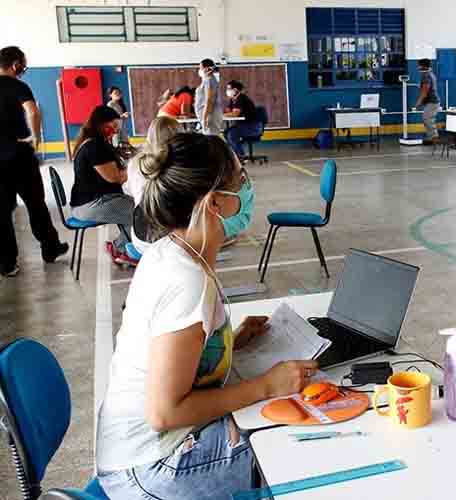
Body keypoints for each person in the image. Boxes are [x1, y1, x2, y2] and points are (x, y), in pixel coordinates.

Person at [96, 133, 318, 499]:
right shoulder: (186, 280)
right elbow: (164, 412)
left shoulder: (172, 249)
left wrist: (231, 341)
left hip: (138, 451)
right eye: (241, 180)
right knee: (299, 439)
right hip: (148, 468)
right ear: (215, 203)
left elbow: (175, 353)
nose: (247, 188)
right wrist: (267, 386)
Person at [0, 45, 68, 277]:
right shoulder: (18, 86)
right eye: (22, 65)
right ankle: (50, 248)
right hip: (19, 154)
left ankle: (7, 264)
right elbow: (33, 111)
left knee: (2, 212)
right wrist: (35, 137)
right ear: (15, 64)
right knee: (36, 203)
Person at [70, 105, 136, 266]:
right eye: (113, 127)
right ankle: (124, 250)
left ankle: (122, 247)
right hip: (91, 205)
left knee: (137, 208)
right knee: (140, 213)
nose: (114, 132)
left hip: (94, 202)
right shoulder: (94, 146)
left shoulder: (96, 142)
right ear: (100, 124)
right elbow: (115, 178)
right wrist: (138, 168)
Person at [124, 115, 181, 255]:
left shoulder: (135, 162)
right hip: (166, 242)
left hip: (139, 238)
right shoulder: (179, 166)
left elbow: (128, 190)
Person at [224, 80, 262, 161]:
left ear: (235, 90)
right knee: (227, 132)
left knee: (231, 133)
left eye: (229, 88)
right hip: (244, 126)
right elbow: (227, 111)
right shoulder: (233, 99)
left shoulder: (241, 98)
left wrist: (220, 116)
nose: (227, 90)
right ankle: (236, 154)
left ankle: (241, 156)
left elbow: (234, 114)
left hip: (253, 127)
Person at [195, 59, 224, 136]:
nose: (199, 70)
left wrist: (205, 118)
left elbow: (209, 100)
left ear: (206, 68)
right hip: (209, 115)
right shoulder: (208, 80)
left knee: (211, 141)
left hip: (210, 116)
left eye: (200, 68)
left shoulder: (209, 80)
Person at [414, 58, 440, 145]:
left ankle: (434, 138)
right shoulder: (429, 74)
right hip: (431, 101)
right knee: (427, 118)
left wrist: (418, 102)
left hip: (432, 102)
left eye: (419, 65)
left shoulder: (426, 76)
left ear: (423, 66)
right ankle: (430, 137)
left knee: (427, 118)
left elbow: (425, 91)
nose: (418, 67)